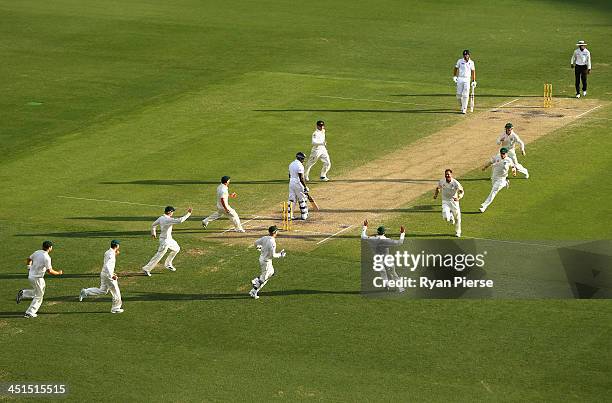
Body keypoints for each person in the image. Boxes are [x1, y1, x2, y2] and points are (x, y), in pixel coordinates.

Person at [16, 240, 63, 318]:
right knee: (39, 296)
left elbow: (29, 259)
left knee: (37, 292)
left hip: (32, 276)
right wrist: (58, 273)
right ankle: (30, 312)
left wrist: (29, 268)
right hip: (37, 278)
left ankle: (23, 293)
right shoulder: (47, 257)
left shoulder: (37, 252)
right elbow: (50, 271)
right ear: (50, 248)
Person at [142, 206, 192, 276]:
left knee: (176, 249)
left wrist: (153, 233)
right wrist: (189, 213)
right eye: (172, 211)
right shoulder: (167, 220)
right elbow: (180, 220)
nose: (173, 213)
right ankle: (146, 269)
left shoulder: (161, 218)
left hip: (169, 239)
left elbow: (153, 225)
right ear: (169, 212)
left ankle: (168, 264)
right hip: (164, 242)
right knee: (159, 255)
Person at [79, 240, 124, 314]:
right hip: (108, 275)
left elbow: (107, 261)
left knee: (103, 290)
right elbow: (108, 265)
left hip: (103, 274)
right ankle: (115, 308)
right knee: (116, 291)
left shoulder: (108, 252)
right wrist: (112, 275)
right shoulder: (111, 255)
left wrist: (115, 254)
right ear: (117, 246)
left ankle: (85, 291)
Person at [361, 220, 406, 292]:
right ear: (384, 233)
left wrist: (365, 227)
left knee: (383, 273)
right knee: (393, 273)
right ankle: (399, 288)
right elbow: (400, 242)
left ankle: (386, 286)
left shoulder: (372, 239)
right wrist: (402, 233)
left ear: (377, 232)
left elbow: (363, 236)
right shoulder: (387, 240)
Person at [249, 225, 286, 299]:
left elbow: (256, 243)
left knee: (271, 272)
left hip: (262, 258)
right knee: (263, 279)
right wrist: (281, 255)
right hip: (266, 262)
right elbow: (273, 255)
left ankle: (255, 286)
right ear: (275, 232)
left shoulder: (264, 238)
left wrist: (259, 248)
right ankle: (254, 287)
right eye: (277, 231)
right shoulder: (272, 243)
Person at [479, 147, 516, 213]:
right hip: (494, 177)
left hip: (502, 178)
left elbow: (513, 167)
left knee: (493, 191)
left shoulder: (509, 160)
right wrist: (485, 167)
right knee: (494, 188)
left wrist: (514, 172)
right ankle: (505, 183)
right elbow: (490, 162)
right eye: (502, 153)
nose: (502, 155)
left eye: (504, 154)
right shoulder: (496, 157)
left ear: (506, 154)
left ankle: (484, 206)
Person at [433, 169, 464, 237]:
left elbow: (462, 191)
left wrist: (458, 198)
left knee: (457, 218)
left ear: (451, 175)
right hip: (445, 201)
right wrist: (436, 195)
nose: (447, 175)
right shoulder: (442, 181)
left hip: (454, 202)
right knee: (445, 217)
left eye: (448, 174)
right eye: (446, 174)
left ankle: (458, 232)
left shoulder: (455, 183)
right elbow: (438, 188)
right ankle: (450, 216)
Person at [452, 49, 476, 114]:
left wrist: (473, 81)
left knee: (465, 94)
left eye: (467, 55)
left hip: (467, 79)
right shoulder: (460, 61)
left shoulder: (471, 62)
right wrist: (454, 76)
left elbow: (473, 71)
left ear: (469, 55)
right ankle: (462, 106)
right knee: (458, 95)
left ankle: (464, 108)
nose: (465, 56)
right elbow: (456, 68)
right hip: (460, 78)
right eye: (464, 55)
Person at [288, 152, 309, 221]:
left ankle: (289, 215)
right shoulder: (300, 166)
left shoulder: (291, 164)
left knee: (292, 199)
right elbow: (301, 178)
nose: (303, 160)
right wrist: (305, 187)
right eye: (303, 159)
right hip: (298, 183)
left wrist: (292, 182)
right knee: (302, 198)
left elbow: (289, 175)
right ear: (300, 158)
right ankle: (304, 215)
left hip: (291, 182)